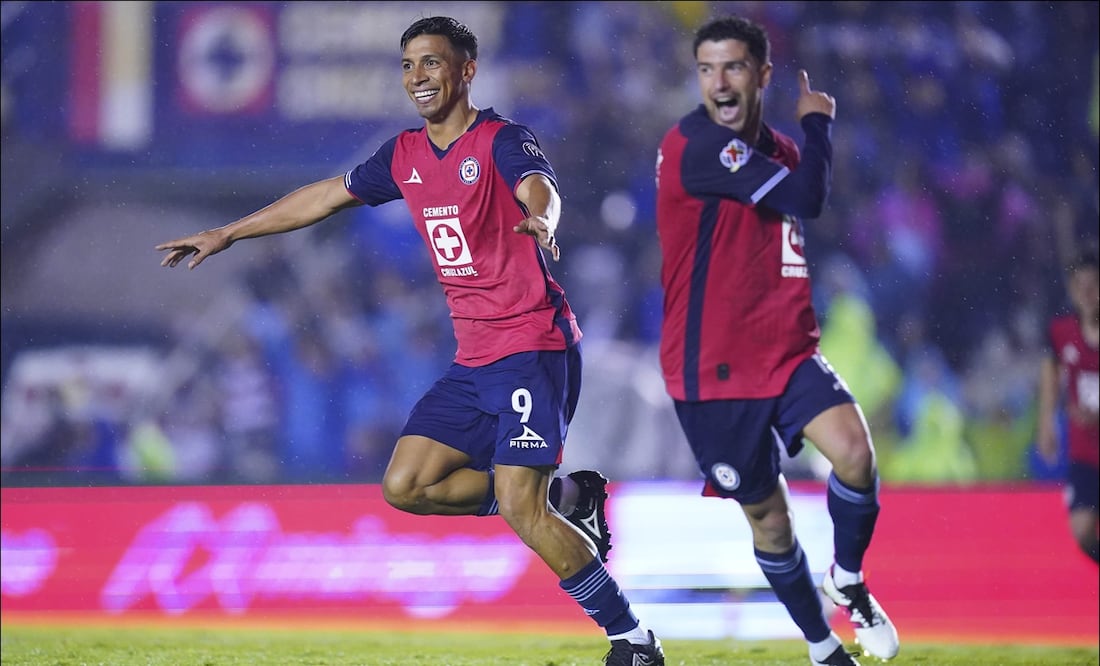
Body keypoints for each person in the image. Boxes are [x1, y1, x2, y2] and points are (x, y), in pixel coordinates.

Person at [156, 16, 663, 666]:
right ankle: (570, 497)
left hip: (532, 344)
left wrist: (541, 217)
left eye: (432, 63)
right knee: (406, 485)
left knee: (517, 506)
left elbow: (540, 186)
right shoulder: (403, 157)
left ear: (467, 70)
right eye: (408, 65)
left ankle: (633, 640)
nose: (418, 77)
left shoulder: (503, 140)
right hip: (474, 358)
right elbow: (324, 197)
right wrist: (230, 232)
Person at [653, 15, 898, 666]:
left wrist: (807, 133)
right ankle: (822, 648)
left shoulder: (778, 151)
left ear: (762, 75)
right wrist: (819, 123)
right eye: (707, 69)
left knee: (854, 453)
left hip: (785, 350)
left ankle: (846, 576)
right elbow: (808, 197)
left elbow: (798, 200)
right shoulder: (695, 145)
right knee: (770, 519)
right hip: (711, 371)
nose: (719, 83)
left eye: (733, 67)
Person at [1037, 242, 1099, 564]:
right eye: (1080, 287)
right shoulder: (1062, 332)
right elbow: (1051, 371)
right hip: (1085, 451)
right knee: (1082, 531)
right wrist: (1046, 422)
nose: (1087, 294)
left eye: (1093, 286)